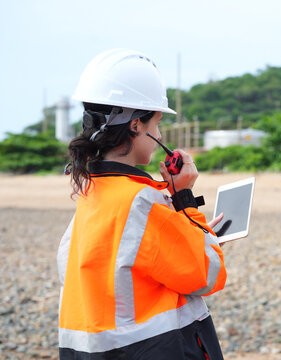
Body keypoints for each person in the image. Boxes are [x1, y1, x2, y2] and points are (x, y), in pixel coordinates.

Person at [57, 49, 227, 359]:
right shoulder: (140, 201)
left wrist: (179, 226)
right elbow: (206, 274)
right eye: (158, 123)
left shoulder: (90, 193)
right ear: (137, 125)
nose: (159, 134)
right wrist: (184, 200)